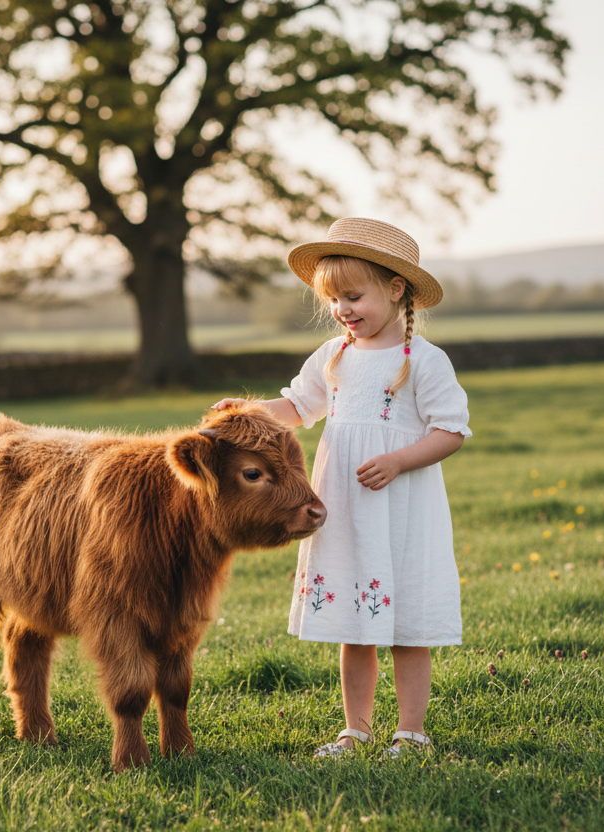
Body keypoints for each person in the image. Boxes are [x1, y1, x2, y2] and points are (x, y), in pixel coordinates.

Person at [212, 217, 470, 759]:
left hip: (401, 509)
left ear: (395, 289)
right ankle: (357, 730)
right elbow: (297, 407)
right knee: (357, 623)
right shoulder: (333, 356)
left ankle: (411, 732)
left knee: (406, 628)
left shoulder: (424, 361)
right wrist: (248, 409)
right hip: (347, 506)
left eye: (353, 297)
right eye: (333, 300)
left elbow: (450, 431)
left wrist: (398, 460)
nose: (342, 310)